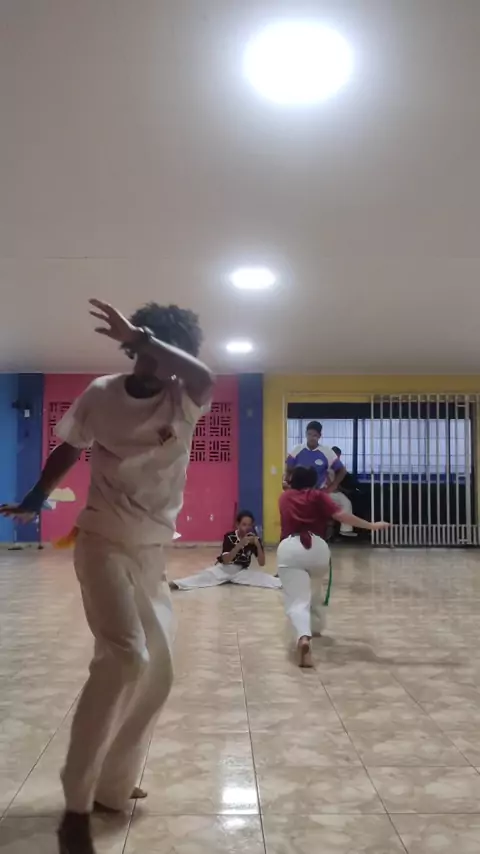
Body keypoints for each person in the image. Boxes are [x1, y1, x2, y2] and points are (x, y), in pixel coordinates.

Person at [0, 298, 214, 854]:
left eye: (166, 353)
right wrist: (34, 499)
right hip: (101, 542)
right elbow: (69, 448)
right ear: (131, 352)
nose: (157, 364)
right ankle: (77, 796)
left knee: (159, 671)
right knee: (125, 656)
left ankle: (113, 788)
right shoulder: (101, 393)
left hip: (152, 552)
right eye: (146, 351)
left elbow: (202, 375)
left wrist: (144, 337)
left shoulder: (185, 396)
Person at [277, 466, 389, 668]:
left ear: (293, 480)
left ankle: (304, 637)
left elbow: (287, 487)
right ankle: (315, 626)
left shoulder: (284, 498)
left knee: (297, 600)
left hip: (291, 548)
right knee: (314, 592)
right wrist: (372, 526)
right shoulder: (319, 496)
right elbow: (342, 516)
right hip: (318, 549)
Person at [171, 510, 281, 590]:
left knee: (263, 578)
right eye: (244, 525)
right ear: (237, 524)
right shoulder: (229, 536)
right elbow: (226, 560)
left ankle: (283, 584)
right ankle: (176, 584)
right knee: (202, 578)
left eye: (249, 525)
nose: (246, 528)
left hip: (240, 571)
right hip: (223, 569)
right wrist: (240, 545)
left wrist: (258, 545)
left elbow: (262, 563)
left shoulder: (253, 538)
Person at [285, 421, 356, 537]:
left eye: (315, 435)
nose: (311, 438)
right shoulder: (297, 450)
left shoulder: (327, 452)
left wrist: (333, 486)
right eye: (309, 434)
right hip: (299, 493)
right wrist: (286, 482)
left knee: (345, 502)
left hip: (320, 492)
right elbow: (288, 470)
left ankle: (346, 530)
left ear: (319, 436)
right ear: (306, 434)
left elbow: (342, 471)